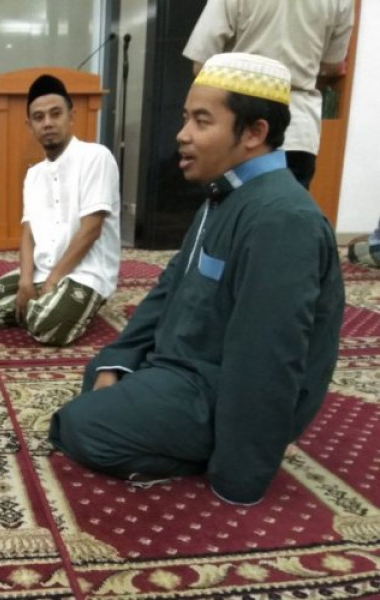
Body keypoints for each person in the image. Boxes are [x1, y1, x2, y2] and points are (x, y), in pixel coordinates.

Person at [49, 53, 345, 505]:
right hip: (185, 365)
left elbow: (267, 361)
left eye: (201, 121)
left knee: (78, 427)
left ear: (253, 133)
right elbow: (168, 289)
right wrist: (118, 361)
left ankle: (207, 451)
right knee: (98, 380)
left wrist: (238, 478)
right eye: (186, 118)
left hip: (217, 390)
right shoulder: (226, 195)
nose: (182, 134)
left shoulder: (282, 219)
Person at [0, 74, 120, 346]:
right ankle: (49, 305)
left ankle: (62, 306)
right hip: (43, 271)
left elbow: (91, 229)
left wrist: (53, 281)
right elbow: (28, 233)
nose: (47, 123)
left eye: (55, 114)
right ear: (30, 126)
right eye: (39, 117)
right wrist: (26, 281)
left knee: (45, 326)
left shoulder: (96, 157)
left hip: (86, 273)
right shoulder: (34, 174)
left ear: (71, 116)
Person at [183, 0, 354, 189]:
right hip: (298, 130)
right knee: (286, 204)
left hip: (238, 128)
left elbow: (201, 63)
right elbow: (332, 65)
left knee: (233, 205)